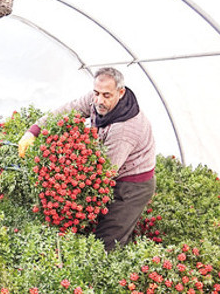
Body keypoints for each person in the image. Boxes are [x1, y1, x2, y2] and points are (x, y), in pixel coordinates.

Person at [17, 67, 156, 251]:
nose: (99, 100)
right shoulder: (96, 100)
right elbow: (68, 110)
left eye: (106, 95)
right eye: (96, 93)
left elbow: (104, 173)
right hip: (112, 173)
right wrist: (34, 130)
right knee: (98, 228)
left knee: (108, 240)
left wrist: (63, 186)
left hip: (131, 185)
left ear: (121, 93)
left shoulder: (124, 130)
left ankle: (110, 269)